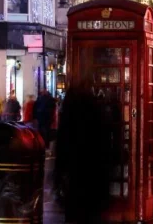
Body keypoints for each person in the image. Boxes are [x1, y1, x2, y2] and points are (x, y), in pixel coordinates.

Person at [54, 80, 115, 224]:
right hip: (95, 177)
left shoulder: (68, 119)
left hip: (75, 176)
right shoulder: (98, 114)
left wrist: (58, 176)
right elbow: (107, 148)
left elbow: (62, 149)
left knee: (75, 215)